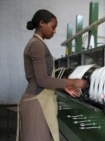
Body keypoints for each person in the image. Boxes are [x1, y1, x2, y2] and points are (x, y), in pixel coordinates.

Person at [19, 9, 87, 141]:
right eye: (53, 27)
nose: (55, 31)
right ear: (42, 23)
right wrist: (73, 82)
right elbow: (43, 80)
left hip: (39, 100)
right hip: (36, 102)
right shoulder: (36, 45)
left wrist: (63, 87)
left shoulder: (38, 44)